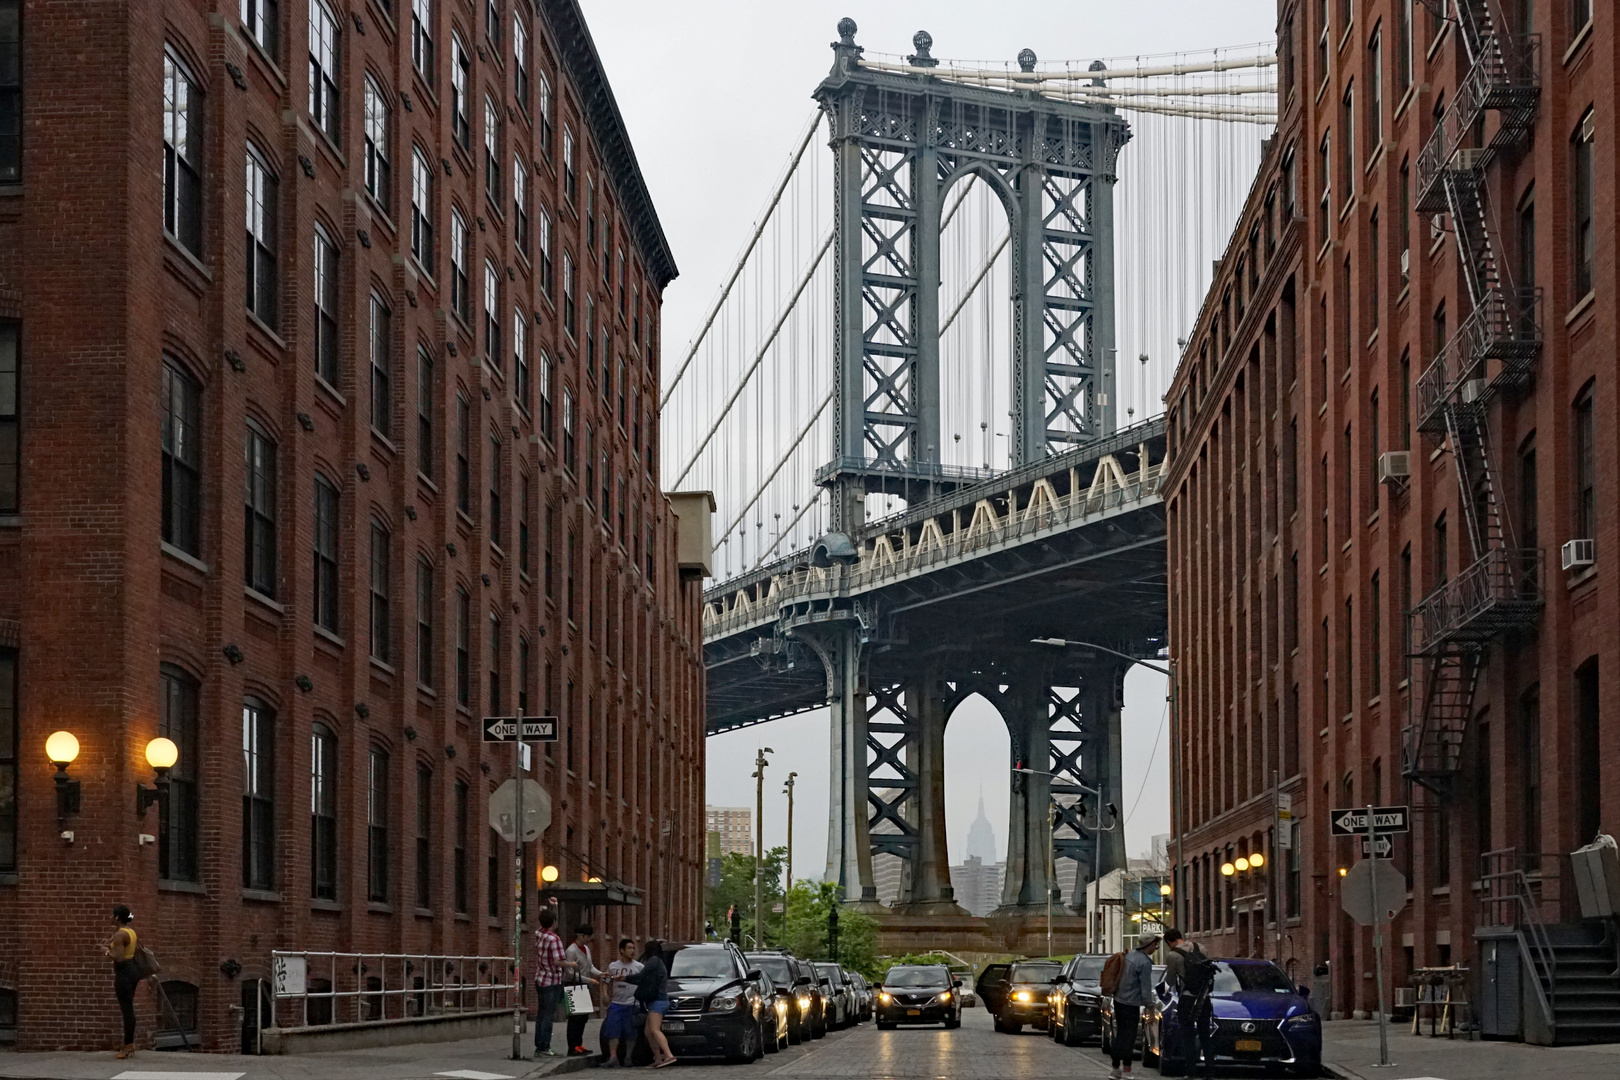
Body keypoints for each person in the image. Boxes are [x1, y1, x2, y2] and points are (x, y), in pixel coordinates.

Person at [1163, 928, 1214, 1079]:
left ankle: (1191, 1071)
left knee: (1188, 1035)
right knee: (1205, 1034)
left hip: (1187, 998)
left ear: (1169, 942)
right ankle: (1210, 1071)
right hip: (1204, 997)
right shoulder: (1201, 948)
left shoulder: (1173, 955)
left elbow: (1171, 981)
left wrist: (1163, 990)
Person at [1109, 932, 1160, 1080]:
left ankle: (1115, 1068)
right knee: (1129, 1037)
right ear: (1148, 945)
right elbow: (1145, 988)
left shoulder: (1128, 956)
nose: (1155, 947)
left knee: (1120, 1035)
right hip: (1131, 1004)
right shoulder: (1144, 963)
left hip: (1119, 1000)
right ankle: (1126, 1070)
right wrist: (1150, 1007)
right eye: (1155, 945)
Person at [533, 906, 575, 1057]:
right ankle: (545, 1047)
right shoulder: (554, 939)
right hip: (552, 980)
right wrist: (571, 964)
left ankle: (539, 1046)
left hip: (540, 978)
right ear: (554, 922)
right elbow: (558, 961)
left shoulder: (538, 934)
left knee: (541, 1014)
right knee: (548, 1015)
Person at [630, 939, 675, 1068]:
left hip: (658, 1001)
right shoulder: (658, 962)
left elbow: (641, 976)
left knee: (654, 1030)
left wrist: (625, 978)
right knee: (648, 1031)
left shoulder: (654, 961)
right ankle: (658, 1059)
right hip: (656, 1001)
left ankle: (668, 1055)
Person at [601, 937, 643, 1067]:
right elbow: (606, 981)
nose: (632, 951)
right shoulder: (613, 966)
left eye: (633, 948)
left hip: (632, 1004)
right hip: (617, 1004)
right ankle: (613, 1057)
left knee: (630, 1032)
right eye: (629, 948)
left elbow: (644, 983)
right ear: (622, 950)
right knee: (613, 1031)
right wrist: (605, 994)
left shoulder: (639, 967)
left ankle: (628, 1057)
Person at [105, 905, 141, 1059]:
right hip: (132, 970)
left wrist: (105, 951)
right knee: (128, 1007)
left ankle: (128, 1045)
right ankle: (128, 1043)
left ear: (118, 917)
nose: (110, 918)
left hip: (123, 972)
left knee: (127, 1009)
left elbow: (119, 958)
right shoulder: (130, 932)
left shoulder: (120, 934)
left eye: (112, 915)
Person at [564, 923, 602, 1056]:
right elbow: (569, 972)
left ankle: (579, 1044)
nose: (588, 939)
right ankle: (572, 1046)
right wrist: (589, 980)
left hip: (584, 986)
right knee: (575, 1017)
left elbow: (590, 966)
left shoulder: (586, 948)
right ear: (581, 935)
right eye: (587, 936)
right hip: (573, 985)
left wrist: (600, 973)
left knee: (583, 1017)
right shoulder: (571, 950)